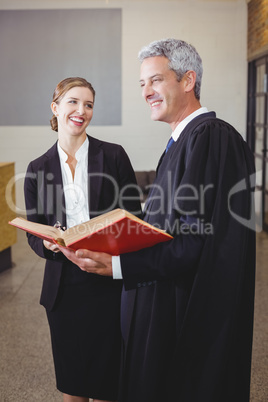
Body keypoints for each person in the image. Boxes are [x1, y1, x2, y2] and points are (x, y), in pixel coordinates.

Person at [59, 40, 256, 402]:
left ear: (188, 80)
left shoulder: (210, 137)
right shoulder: (181, 142)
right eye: (142, 84)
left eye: (156, 80)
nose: (146, 92)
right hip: (165, 301)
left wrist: (118, 264)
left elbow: (195, 240)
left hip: (188, 317)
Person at [24, 77, 141, 402]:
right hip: (64, 291)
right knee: (72, 385)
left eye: (88, 104)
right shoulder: (37, 169)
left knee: (107, 384)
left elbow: (134, 217)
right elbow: (35, 232)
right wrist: (46, 243)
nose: (81, 110)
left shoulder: (114, 156)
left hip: (107, 284)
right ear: (56, 107)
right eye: (73, 102)